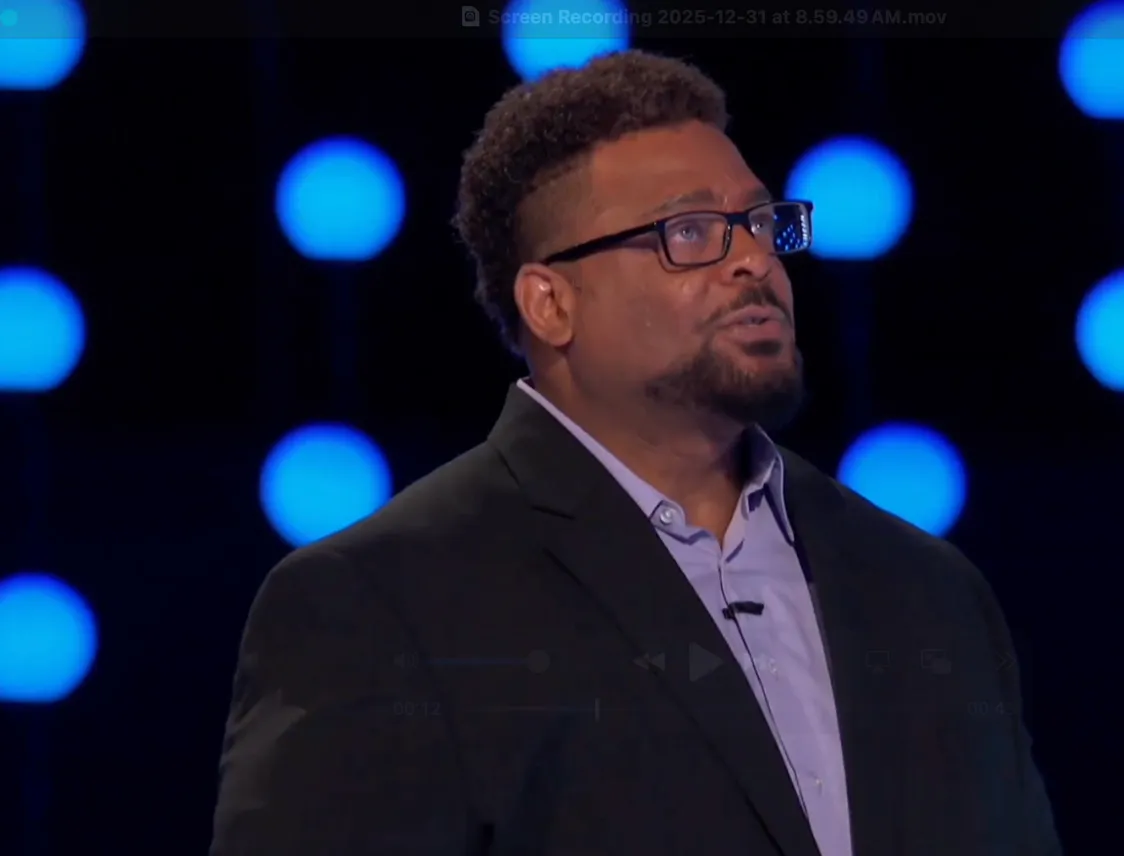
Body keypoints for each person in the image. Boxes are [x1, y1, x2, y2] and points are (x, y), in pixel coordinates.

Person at [210, 50, 1061, 856]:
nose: (753, 261)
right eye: (690, 231)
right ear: (551, 304)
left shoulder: (927, 588)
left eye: (760, 223)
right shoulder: (382, 601)